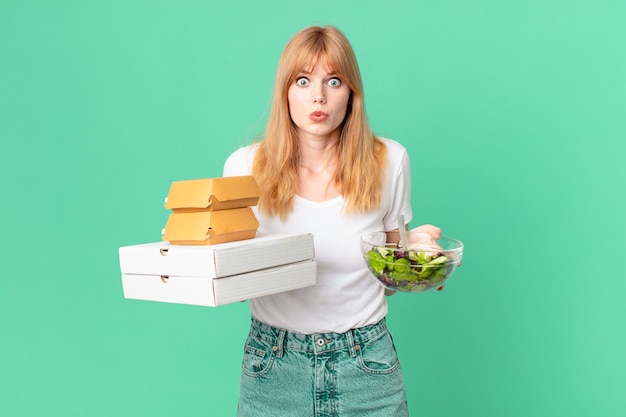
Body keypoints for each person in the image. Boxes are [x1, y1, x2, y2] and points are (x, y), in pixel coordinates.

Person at [223, 25, 442, 417]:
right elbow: (236, 287)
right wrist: (202, 256)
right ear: (285, 92)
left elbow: (390, 279)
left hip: (366, 365)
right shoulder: (243, 167)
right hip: (273, 365)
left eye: (334, 81)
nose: (318, 96)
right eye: (303, 80)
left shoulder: (389, 161)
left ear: (351, 93)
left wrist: (419, 261)